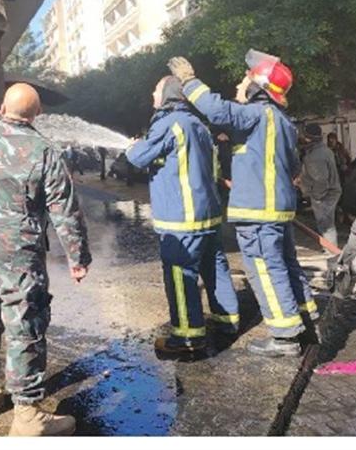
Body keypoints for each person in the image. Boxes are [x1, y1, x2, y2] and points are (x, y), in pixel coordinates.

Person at [0, 40, 91, 436]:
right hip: (18, 257)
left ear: (1, 110)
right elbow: (65, 210)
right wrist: (77, 258)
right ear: (38, 114)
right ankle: (28, 415)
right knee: (24, 328)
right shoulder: (44, 151)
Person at [168, 51, 316, 357]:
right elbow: (288, 165)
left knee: (264, 267)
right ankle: (306, 315)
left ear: (257, 86)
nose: (238, 84)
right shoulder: (282, 122)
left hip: (258, 210)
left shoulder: (256, 113)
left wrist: (189, 80)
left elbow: (216, 109)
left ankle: (285, 336)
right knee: (285, 263)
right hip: (278, 208)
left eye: (244, 79)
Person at [126, 76, 241, 354]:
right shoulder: (198, 123)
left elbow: (139, 158)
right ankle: (228, 321)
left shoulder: (170, 123)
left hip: (182, 219)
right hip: (208, 214)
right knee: (215, 269)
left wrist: (132, 146)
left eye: (156, 89)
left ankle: (188, 337)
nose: (153, 94)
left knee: (180, 274)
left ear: (167, 93)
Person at [299, 124, 342, 246]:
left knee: (326, 226)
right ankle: (331, 249)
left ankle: (331, 251)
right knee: (327, 224)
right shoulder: (324, 150)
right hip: (329, 192)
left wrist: (316, 196)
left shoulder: (315, 156)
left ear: (308, 138)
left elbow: (321, 180)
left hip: (324, 195)